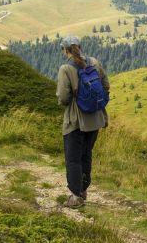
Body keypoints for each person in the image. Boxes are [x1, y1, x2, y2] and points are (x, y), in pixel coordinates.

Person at [56, 35, 109, 208]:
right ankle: (83, 190)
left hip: (76, 120)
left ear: (66, 50)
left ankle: (75, 196)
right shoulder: (94, 62)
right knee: (86, 155)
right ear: (80, 46)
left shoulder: (66, 68)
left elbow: (63, 98)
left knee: (73, 158)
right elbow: (106, 86)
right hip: (95, 119)